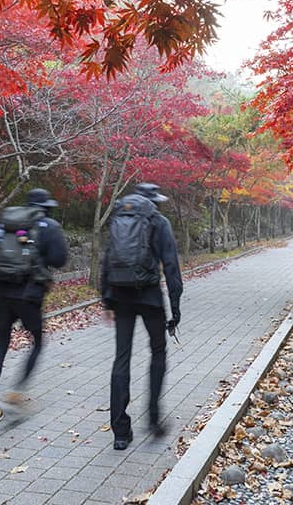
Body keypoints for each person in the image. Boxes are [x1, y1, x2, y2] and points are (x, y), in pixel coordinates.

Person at [0, 187, 69, 429]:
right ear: (46, 207)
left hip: (4, 294)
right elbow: (60, 259)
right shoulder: (49, 226)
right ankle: (16, 396)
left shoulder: (7, 223)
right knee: (37, 342)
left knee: (0, 345)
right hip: (29, 296)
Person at [99, 181, 182, 450]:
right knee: (158, 351)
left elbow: (107, 259)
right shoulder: (159, 222)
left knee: (121, 358)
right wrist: (175, 308)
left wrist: (106, 300)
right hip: (149, 297)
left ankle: (120, 432)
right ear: (154, 202)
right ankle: (153, 419)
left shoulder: (118, 218)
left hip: (120, 295)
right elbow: (171, 266)